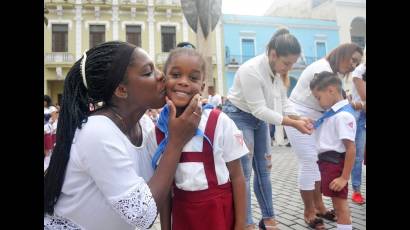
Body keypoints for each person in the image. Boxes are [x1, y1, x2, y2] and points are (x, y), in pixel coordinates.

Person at [44, 41, 203, 230]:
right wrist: (176, 142)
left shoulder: (143, 125)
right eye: (148, 72)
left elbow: (165, 179)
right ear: (121, 90)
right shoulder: (98, 132)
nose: (162, 76)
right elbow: (142, 215)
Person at [222, 28, 314, 230]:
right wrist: (293, 124)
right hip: (239, 115)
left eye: (291, 63)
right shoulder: (251, 70)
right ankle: (247, 223)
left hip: (258, 119)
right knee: (244, 174)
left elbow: (283, 103)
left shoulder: (278, 72)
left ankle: (269, 218)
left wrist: (300, 117)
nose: (288, 68)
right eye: (286, 63)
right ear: (273, 54)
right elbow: (259, 109)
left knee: (264, 170)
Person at [152, 47, 247, 230]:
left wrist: (240, 225)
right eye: (176, 74)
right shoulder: (159, 130)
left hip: (218, 214)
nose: (184, 82)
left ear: (202, 87)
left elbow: (237, 176)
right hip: (183, 216)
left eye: (193, 78)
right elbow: (165, 190)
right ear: (165, 80)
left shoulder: (220, 122)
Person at [284, 43, 362, 229]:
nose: (353, 65)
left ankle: (319, 207)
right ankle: (309, 212)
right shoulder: (322, 69)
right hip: (299, 114)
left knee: (317, 163)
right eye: (352, 60)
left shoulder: (333, 75)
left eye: (357, 63)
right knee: (309, 161)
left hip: (318, 118)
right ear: (342, 54)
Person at [310, 71, 357, 230]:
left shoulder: (343, 116)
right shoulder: (333, 114)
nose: (318, 102)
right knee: (337, 205)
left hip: (335, 163)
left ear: (331, 90)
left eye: (318, 97)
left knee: (340, 207)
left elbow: (351, 148)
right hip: (327, 163)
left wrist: (344, 177)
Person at [349, 48, 366, 204]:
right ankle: (356, 190)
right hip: (359, 118)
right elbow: (365, 98)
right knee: (357, 156)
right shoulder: (359, 72)